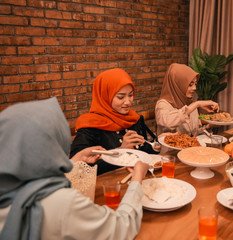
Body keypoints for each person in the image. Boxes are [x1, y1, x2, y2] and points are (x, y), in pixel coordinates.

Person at [0, 98, 149, 240]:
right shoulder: (63, 204)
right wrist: (137, 179)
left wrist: (75, 160)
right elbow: (122, 226)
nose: (127, 101)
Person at [70, 68, 160, 175]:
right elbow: (79, 168)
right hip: (107, 187)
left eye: (130, 95)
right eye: (121, 97)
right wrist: (121, 150)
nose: (128, 102)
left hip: (137, 179)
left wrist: (157, 145)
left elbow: (141, 151)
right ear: (105, 96)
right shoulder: (90, 125)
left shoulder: (133, 118)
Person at [155, 63, 219, 137]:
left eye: (195, 84)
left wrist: (208, 126)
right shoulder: (162, 104)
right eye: (190, 85)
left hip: (193, 148)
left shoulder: (189, 102)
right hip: (172, 149)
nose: (194, 88)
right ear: (178, 84)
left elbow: (194, 133)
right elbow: (167, 123)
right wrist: (197, 104)